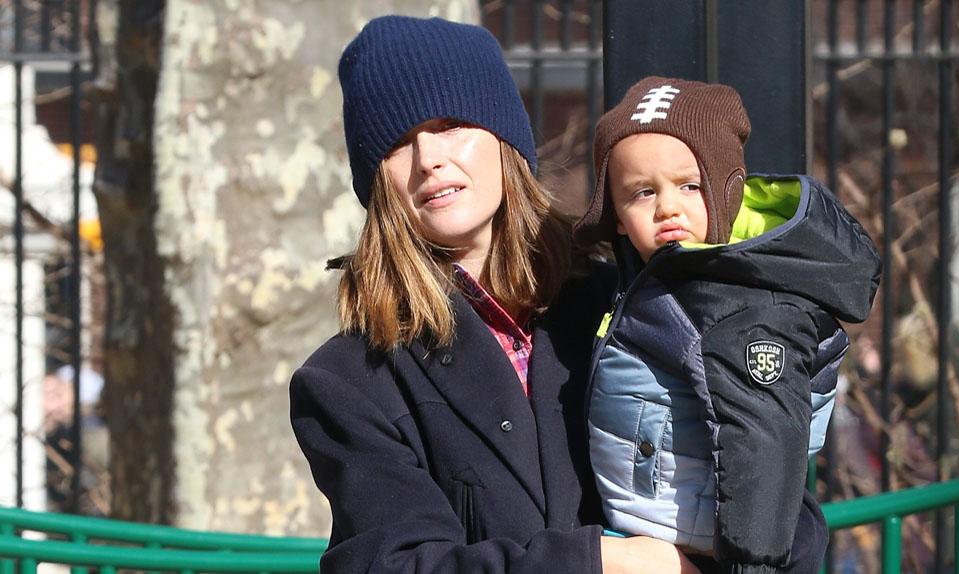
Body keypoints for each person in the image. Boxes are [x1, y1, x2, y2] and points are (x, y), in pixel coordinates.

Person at [289, 17, 703, 573]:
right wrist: (599, 562)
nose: (430, 159)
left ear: (504, 137)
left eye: (453, 124)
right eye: (398, 144)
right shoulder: (348, 382)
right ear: (376, 182)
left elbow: (774, 513)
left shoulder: (630, 305)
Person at [574, 77, 881, 573]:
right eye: (642, 192)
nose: (668, 206)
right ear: (614, 213)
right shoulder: (667, 272)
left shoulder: (737, 300)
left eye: (689, 185)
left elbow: (764, 447)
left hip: (710, 553)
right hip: (661, 538)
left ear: (727, 189)